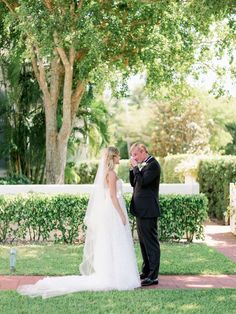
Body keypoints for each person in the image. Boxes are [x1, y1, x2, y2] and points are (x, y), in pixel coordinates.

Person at [17, 147, 140, 298]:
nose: (120, 158)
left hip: (109, 210)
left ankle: (111, 272)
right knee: (115, 241)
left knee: (110, 241)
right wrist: (121, 215)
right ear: (113, 157)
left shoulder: (105, 174)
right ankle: (116, 275)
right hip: (114, 211)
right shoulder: (112, 174)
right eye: (118, 156)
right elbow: (113, 197)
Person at [129, 143, 161, 286]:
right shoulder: (144, 165)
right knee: (143, 243)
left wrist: (136, 167)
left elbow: (142, 183)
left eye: (135, 154)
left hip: (148, 211)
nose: (133, 157)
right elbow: (134, 183)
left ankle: (153, 276)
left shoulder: (153, 165)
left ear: (142, 152)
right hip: (140, 210)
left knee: (151, 244)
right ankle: (147, 270)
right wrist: (132, 169)